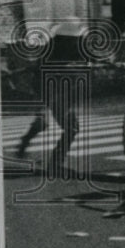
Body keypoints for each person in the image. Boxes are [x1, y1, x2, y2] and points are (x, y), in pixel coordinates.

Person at [14, 20, 85, 171]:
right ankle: (55, 162)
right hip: (53, 91)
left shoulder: (57, 47)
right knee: (72, 127)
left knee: (44, 123)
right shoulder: (63, 49)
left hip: (52, 91)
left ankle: (25, 142)